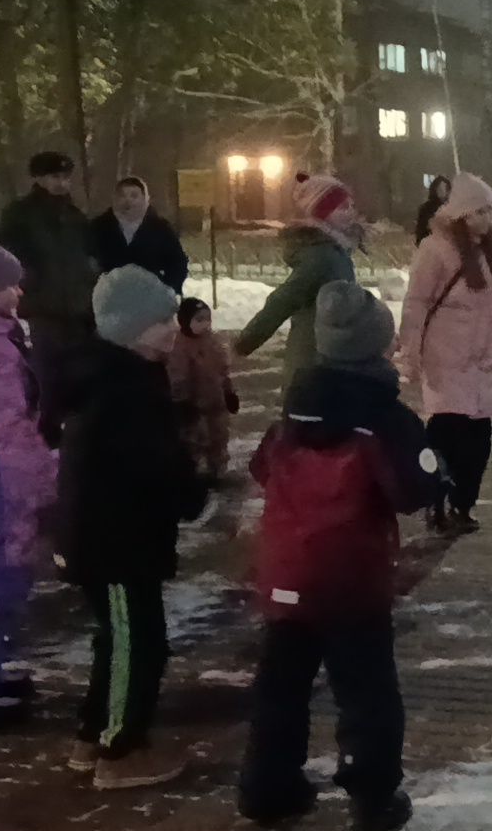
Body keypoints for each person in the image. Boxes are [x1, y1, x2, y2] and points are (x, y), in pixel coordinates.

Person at [238, 282, 438, 831]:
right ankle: (371, 795)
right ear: (377, 345)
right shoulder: (382, 416)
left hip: (286, 572)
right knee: (366, 693)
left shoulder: (292, 413)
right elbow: (414, 491)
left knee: (281, 686)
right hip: (351, 579)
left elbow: (262, 471)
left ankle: (266, 788)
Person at [54, 265, 207, 790]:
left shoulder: (127, 376)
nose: (172, 327)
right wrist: (190, 490)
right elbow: (153, 464)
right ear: (128, 328)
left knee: (122, 639)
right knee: (135, 642)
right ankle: (120, 749)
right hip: (114, 541)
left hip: (122, 537)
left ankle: (94, 733)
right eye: (162, 319)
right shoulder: (121, 390)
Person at [397, 173, 492, 535]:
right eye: (479, 212)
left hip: (483, 363)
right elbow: (416, 307)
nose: (487, 219)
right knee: (447, 438)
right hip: (445, 361)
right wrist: (409, 355)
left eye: (490, 211)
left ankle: (463, 504)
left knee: (479, 443)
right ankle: (437, 501)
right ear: (460, 213)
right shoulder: (435, 249)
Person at [0, 243, 53, 725]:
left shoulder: (3, 337)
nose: (19, 290)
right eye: (8, 284)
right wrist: (44, 475)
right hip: (1, 486)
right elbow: (6, 429)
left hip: (4, 479)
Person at [0, 152, 97, 433]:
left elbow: (85, 254)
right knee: (48, 375)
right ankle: (49, 433)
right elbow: (9, 256)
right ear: (39, 178)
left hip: (77, 307)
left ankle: (78, 433)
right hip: (43, 308)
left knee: (80, 374)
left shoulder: (74, 215)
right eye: (55, 177)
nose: (61, 183)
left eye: (65, 177)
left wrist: (89, 279)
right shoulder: (20, 214)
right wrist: (30, 283)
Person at [235, 173, 362, 385]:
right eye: (342, 207)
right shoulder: (322, 255)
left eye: (351, 205)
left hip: (330, 352)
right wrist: (245, 342)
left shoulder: (336, 249)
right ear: (321, 213)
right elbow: (283, 300)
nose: (350, 212)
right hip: (315, 356)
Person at [167, 299, 238, 485]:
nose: (205, 323)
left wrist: (229, 392)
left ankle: (217, 471)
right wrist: (181, 401)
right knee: (194, 441)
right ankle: (191, 475)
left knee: (219, 437)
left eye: (207, 319)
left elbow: (223, 370)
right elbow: (177, 376)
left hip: (216, 403)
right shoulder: (178, 345)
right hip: (194, 406)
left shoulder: (212, 342)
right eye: (199, 319)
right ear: (185, 321)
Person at [87, 177, 188, 293]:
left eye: (134, 196)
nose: (127, 201)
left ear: (144, 199)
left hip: (150, 299)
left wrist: (167, 289)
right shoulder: (99, 227)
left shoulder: (160, 229)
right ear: (114, 199)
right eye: (122, 196)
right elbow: (87, 263)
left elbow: (177, 263)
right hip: (109, 300)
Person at [412, 176, 450, 246]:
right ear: (434, 189)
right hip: (432, 248)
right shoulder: (426, 208)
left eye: (446, 189)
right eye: (440, 189)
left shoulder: (453, 208)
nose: (443, 193)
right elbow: (421, 232)